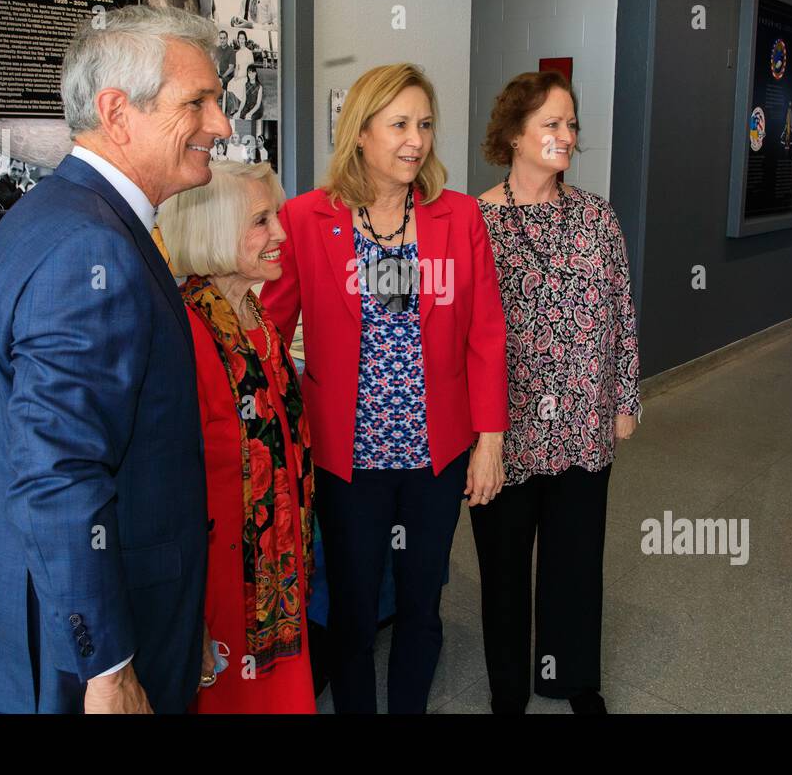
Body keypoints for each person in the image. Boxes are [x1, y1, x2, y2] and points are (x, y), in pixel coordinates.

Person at [0, 6, 229, 714]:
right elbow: (59, 475)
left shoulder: (54, 215)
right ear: (118, 113)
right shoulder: (93, 247)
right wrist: (110, 668)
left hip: (78, 616)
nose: (222, 125)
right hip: (86, 651)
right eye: (198, 103)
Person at [260, 63, 509, 714]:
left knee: (422, 603)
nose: (416, 140)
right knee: (352, 607)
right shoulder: (308, 219)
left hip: (436, 454)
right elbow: (266, 334)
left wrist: (490, 442)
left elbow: (485, 333)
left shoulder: (456, 217)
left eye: (424, 124)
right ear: (361, 133)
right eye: (399, 124)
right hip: (350, 460)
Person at [473, 71, 641, 715]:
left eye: (571, 124)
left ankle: (573, 680)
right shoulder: (474, 222)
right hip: (502, 430)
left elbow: (622, 312)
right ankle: (508, 689)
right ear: (515, 134)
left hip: (581, 425)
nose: (566, 135)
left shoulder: (598, 219)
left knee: (575, 564)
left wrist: (625, 400)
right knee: (505, 570)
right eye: (551, 123)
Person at [156, 160, 317, 713]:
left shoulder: (258, 315)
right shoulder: (187, 334)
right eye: (261, 222)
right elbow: (169, 483)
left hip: (280, 569)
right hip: (222, 584)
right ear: (215, 233)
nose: (281, 234)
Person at [215, 27, 235, 94]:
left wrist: (222, 77)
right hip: (219, 75)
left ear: (227, 39)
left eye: (224, 38)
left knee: (221, 83)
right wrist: (217, 74)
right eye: (221, 38)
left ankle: (223, 100)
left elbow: (231, 68)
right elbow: (216, 63)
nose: (222, 40)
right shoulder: (217, 49)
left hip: (227, 76)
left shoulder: (231, 51)